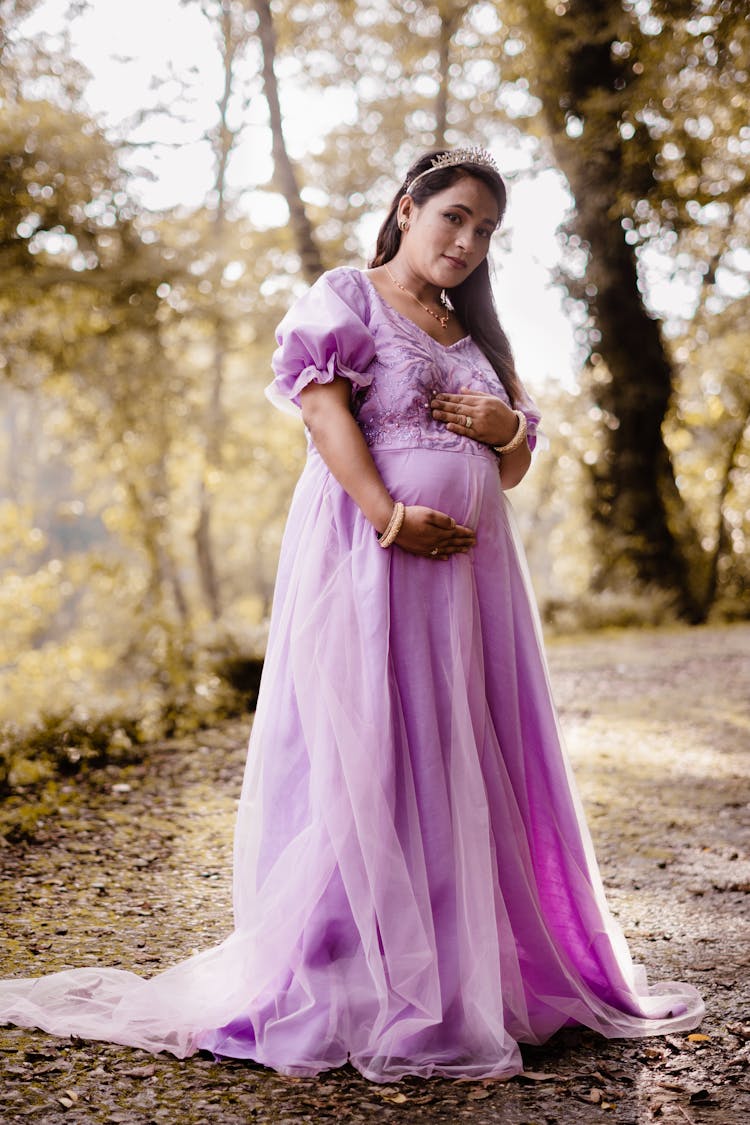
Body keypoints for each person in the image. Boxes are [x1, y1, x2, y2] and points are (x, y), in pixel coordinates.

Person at [0, 147, 703, 1082]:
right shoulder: (347, 296)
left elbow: (513, 463)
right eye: (453, 216)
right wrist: (388, 514)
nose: (467, 240)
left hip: (476, 581)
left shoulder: (473, 332)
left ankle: (475, 973)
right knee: (385, 742)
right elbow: (325, 412)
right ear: (406, 208)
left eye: (485, 229)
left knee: (469, 744)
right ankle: (356, 971)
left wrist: (507, 432)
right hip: (380, 561)